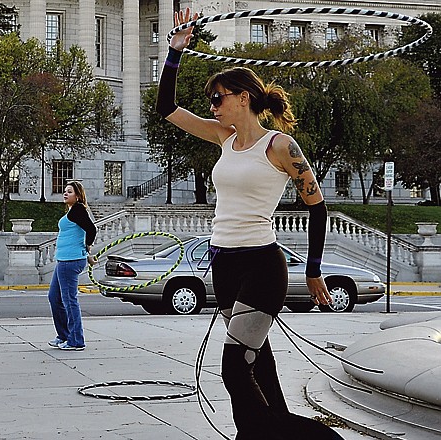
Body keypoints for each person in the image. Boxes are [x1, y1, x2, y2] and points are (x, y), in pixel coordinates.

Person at [157, 8, 342, 440]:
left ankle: (301, 436)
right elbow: (167, 107)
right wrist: (175, 53)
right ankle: (264, 430)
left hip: (261, 264)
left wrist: (312, 269)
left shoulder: (280, 145)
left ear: (243, 97)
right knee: (257, 363)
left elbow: (317, 206)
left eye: (218, 98)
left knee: (234, 368)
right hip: (222, 261)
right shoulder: (223, 137)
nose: (213, 106)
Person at [47, 180, 97, 351]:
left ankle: (76, 340)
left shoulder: (78, 210)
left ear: (77, 195)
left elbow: (91, 229)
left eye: (70, 191)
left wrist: (88, 245)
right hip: (65, 260)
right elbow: (79, 233)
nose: (65, 193)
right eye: (65, 191)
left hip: (70, 261)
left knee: (69, 301)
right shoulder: (73, 211)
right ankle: (64, 335)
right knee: (54, 297)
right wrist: (88, 255)